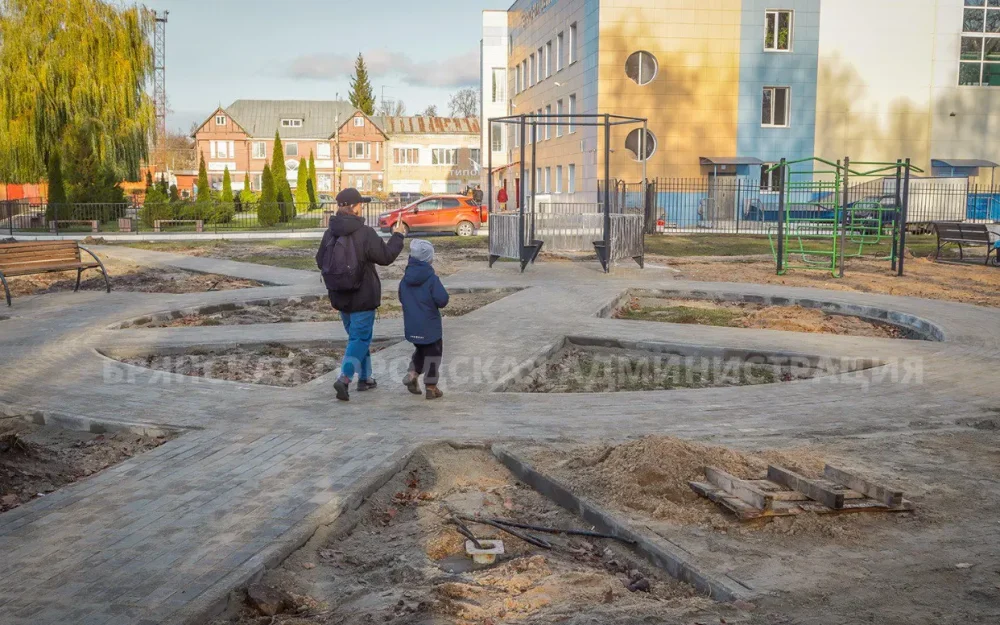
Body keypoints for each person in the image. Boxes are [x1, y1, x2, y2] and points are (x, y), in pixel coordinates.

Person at [316, 187, 406, 401]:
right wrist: (398, 236)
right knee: (360, 338)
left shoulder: (330, 232)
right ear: (355, 207)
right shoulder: (364, 233)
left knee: (358, 338)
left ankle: (365, 378)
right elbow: (385, 257)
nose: (361, 207)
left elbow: (320, 260)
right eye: (360, 204)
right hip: (363, 295)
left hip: (339, 296)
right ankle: (345, 378)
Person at [399, 239, 449, 400]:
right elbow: (442, 300)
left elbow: (401, 297)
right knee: (434, 355)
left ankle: (413, 374)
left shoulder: (405, 279)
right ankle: (431, 387)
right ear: (429, 259)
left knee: (421, 350)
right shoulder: (431, 279)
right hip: (430, 326)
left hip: (412, 325)